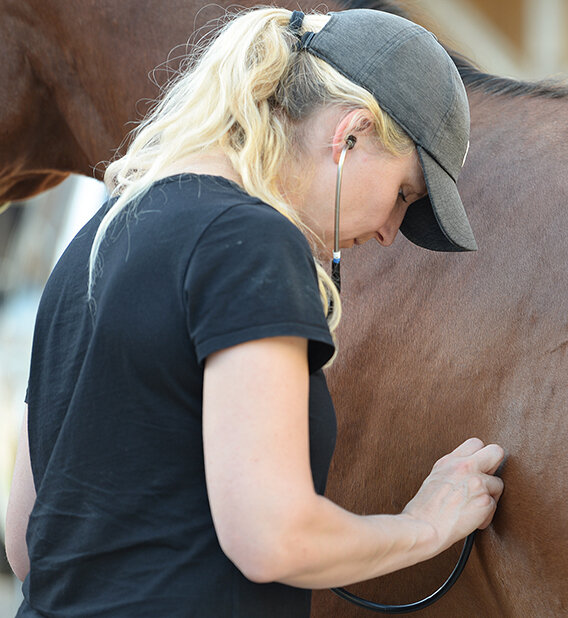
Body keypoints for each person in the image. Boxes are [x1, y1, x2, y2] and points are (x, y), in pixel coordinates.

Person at [5, 8, 504, 616]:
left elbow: (29, 541)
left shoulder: (93, 241)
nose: (389, 233)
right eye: (403, 195)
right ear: (351, 134)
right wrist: (427, 525)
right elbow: (274, 539)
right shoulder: (252, 244)